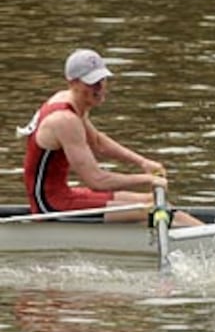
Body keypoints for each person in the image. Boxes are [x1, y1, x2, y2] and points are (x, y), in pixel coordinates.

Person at [18, 48, 202, 226]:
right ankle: (208, 242)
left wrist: (143, 162)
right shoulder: (65, 120)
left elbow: (97, 142)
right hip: (51, 206)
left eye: (102, 80)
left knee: (152, 200)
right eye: (92, 83)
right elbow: (96, 181)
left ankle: (208, 237)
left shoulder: (71, 102)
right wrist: (147, 179)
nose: (99, 88)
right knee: (150, 208)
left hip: (64, 195)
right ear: (72, 83)